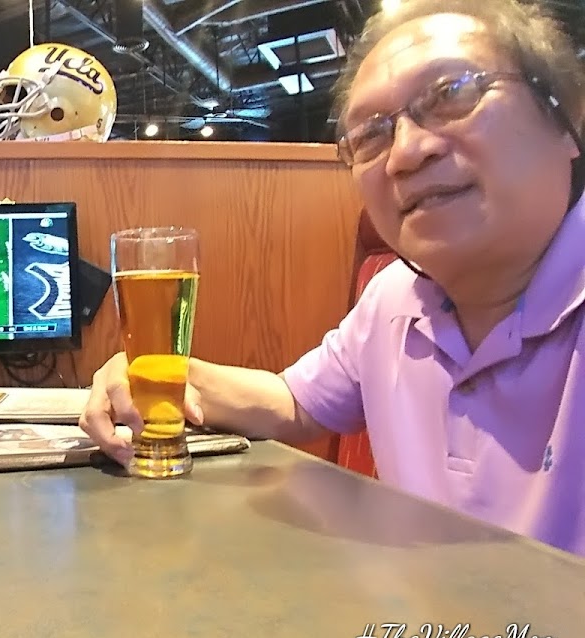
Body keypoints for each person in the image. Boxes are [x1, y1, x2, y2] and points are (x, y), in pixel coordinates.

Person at [80, 0, 585, 557]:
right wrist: (154, 371)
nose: (406, 153)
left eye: (451, 93)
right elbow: (294, 403)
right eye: (371, 135)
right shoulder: (394, 296)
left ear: (566, 115)